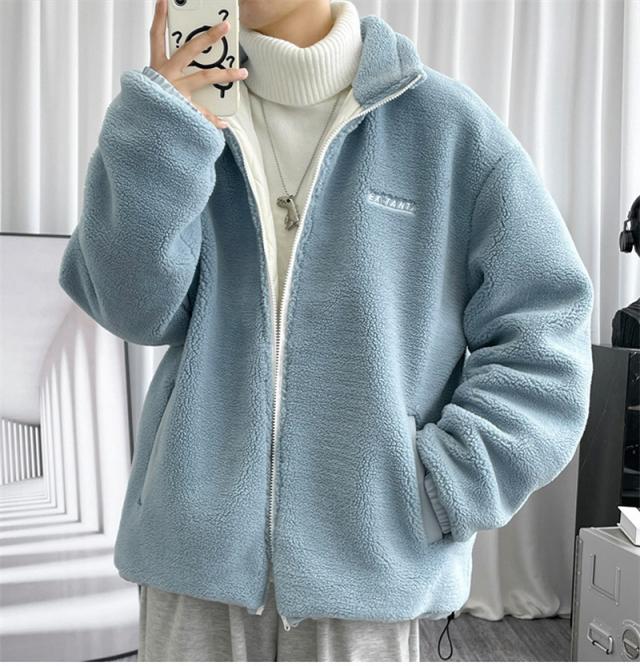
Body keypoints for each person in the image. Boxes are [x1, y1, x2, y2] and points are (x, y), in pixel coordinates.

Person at [57, 0, 595, 661]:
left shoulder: (448, 130)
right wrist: (160, 132)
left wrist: (439, 486)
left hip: (368, 573)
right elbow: (127, 307)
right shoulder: (186, 118)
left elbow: (547, 339)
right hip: (194, 565)